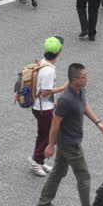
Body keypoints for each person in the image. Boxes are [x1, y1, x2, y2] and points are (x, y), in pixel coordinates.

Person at [36, 63, 103, 206]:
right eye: (84, 77)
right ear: (74, 80)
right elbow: (55, 124)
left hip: (69, 141)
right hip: (70, 144)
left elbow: (84, 105)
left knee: (58, 171)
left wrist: (98, 123)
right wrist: (50, 145)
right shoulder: (65, 99)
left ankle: (43, 204)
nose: (86, 79)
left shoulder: (80, 90)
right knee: (84, 176)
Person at [30, 36, 67, 177]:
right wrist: (62, 88)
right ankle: (37, 160)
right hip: (43, 108)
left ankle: (40, 160)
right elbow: (45, 92)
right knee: (52, 135)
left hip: (38, 105)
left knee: (43, 133)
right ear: (59, 52)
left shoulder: (43, 62)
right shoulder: (49, 70)